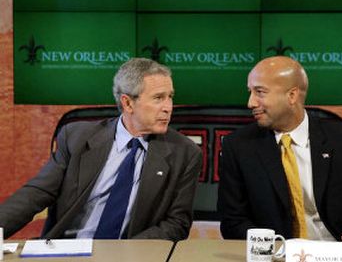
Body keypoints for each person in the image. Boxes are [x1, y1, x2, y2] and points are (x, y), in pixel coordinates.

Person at [0, 58, 202, 241]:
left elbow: (176, 224)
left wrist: (124, 252)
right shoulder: (77, 138)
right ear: (128, 103)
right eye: (158, 98)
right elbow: (37, 193)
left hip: (130, 255)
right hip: (69, 250)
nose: (168, 107)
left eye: (170, 97)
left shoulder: (184, 153)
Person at [217, 56, 342, 242]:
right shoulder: (238, 146)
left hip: (338, 252)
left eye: (260, 92)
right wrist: (277, 249)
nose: (250, 102)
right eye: (250, 92)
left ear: (292, 96)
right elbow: (232, 221)